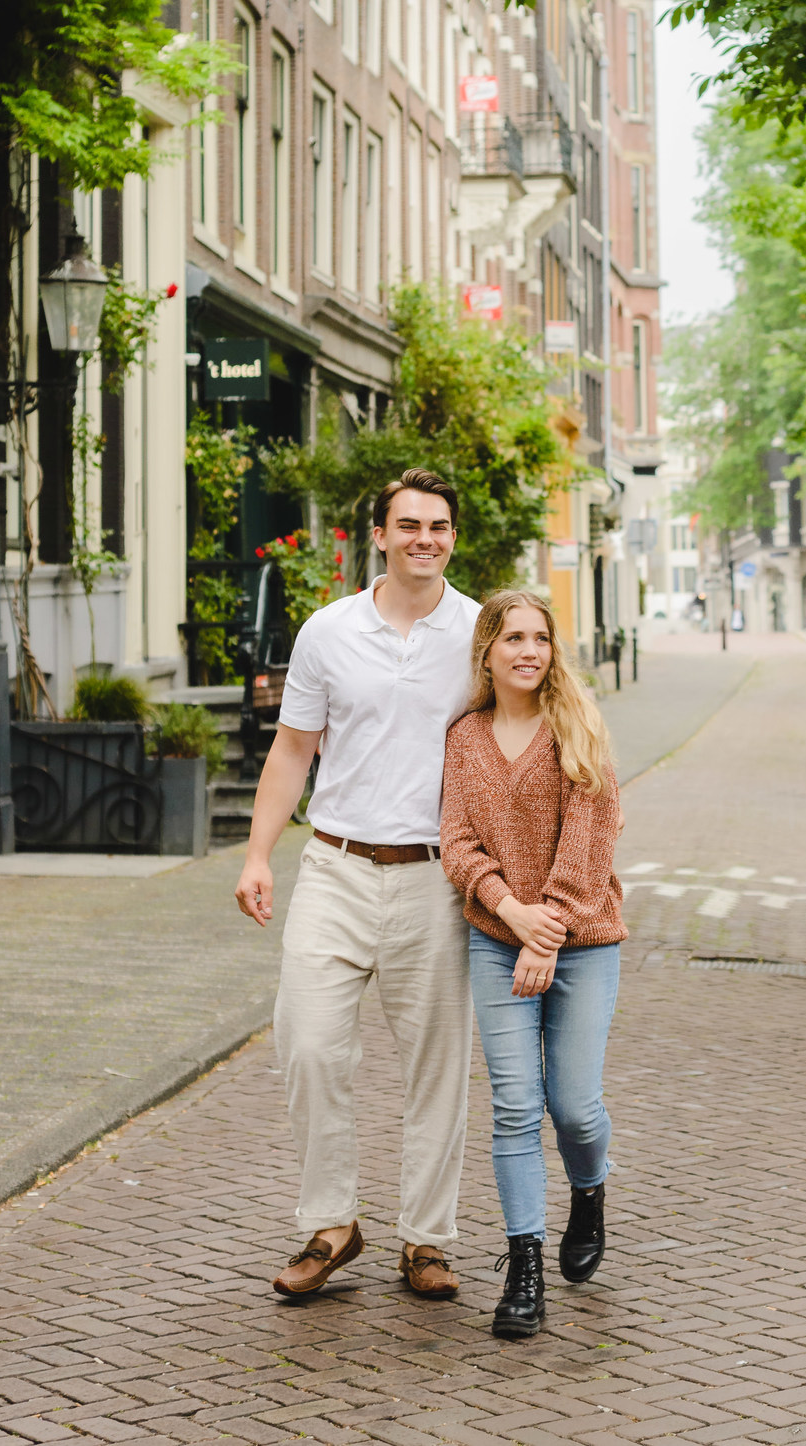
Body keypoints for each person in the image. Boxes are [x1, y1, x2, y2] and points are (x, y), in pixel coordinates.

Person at [234, 468, 480, 1302]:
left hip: (436, 877)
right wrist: (258, 855)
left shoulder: (479, 633)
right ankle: (333, 1227)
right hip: (335, 866)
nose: (424, 539)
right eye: (408, 525)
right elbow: (292, 750)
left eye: (438, 526)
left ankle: (427, 1239)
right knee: (307, 1044)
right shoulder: (328, 631)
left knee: (438, 1065)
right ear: (379, 536)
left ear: (453, 538)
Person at [440, 590, 625, 1339]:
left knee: (574, 1106)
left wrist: (544, 934)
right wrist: (509, 914)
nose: (528, 651)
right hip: (497, 937)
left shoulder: (577, 726)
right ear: (486, 651)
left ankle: (590, 1189)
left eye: (540, 639)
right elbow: (456, 842)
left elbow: (593, 837)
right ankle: (524, 1268)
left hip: (583, 939)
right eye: (513, 638)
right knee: (516, 1104)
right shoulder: (464, 737)